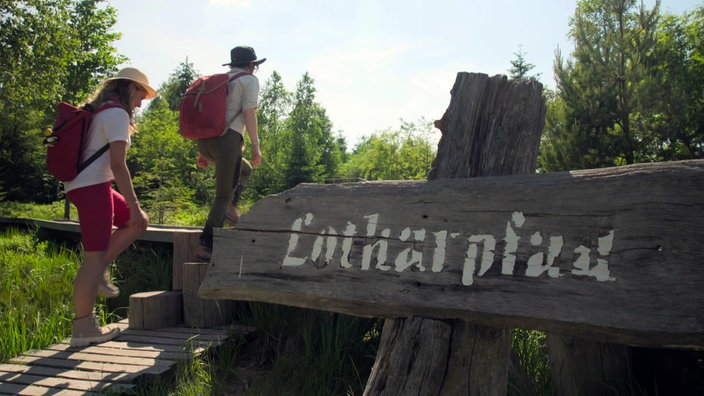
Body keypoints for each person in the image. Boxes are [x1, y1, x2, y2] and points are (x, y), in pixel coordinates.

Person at [63, 67, 156, 347]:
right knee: (93, 257)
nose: (141, 102)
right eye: (141, 93)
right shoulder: (116, 114)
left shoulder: (101, 110)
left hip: (89, 185)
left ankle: (100, 268)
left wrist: (135, 211)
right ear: (130, 88)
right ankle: (83, 329)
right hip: (93, 188)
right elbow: (118, 164)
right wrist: (135, 203)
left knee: (136, 221)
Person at [195, 46, 264, 261]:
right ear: (251, 65)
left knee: (244, 169)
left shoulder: (221, 80)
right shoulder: (249, 81)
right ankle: (206, 244)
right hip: (228, 141)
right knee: (222, 194)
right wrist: (255, 145)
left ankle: (231, 209)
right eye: (255, 66)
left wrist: (204, 152)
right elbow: (248, 112)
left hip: (205, 141)